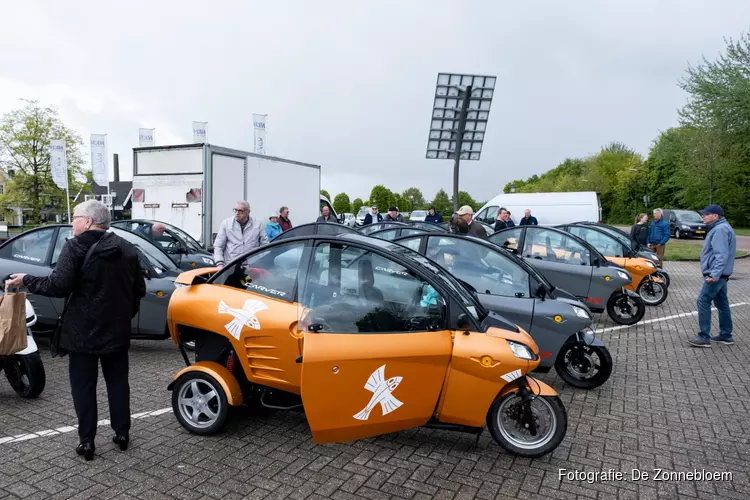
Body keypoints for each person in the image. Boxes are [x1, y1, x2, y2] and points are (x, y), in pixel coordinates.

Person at [5, 200, 146, 461]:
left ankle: (87, 441)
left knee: (83, 387)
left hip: (82, 334)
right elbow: (139, 290)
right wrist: (124, 316)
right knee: (118, 383)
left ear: (89, 221)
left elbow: (58, 285)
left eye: (76, 217)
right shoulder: (128, 248)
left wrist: (27, 280)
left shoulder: (76, 246)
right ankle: (122, 434)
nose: (73, 222)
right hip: (117, 331)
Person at [688, 204, 736, 348]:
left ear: (716, 216)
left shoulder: (720, 229)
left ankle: (704, 337)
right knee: (722, 303)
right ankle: (726, 335)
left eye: (706, 214)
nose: (703, 216)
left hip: (716, 274)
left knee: (703, 301)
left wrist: (714, 275)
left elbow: (721, 255)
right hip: (721, 273)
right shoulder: (721, 227)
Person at [213, 200, 269, 269]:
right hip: (231, 266)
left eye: (240, 211)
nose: (237, 213)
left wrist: (259, 262)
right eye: (235, 210)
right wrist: (219, 264)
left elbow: (265, 245)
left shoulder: (257, 224)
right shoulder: (226, 224)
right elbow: (218, 246)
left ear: (248, 212)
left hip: (252, 267)